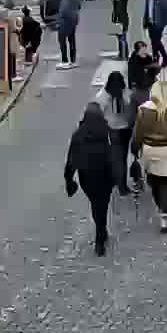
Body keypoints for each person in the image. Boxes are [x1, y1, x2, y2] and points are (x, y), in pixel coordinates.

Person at [64, 102, 118, 256]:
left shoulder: (78, 135)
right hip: (106, 176)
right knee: (103, 204)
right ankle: (101, 233)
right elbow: (116, 156)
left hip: (87, 178)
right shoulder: (108, 132)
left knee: (96, 204)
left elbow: (71, 160)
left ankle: (100, 233)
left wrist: (69, 179)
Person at [134, 79, 167, 232]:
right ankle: (165, 215)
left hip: (149, 149)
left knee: (154, 181)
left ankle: (160, 206)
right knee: (166, 184)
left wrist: (136, 147)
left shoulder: (143, 109)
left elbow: (138, 133)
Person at [94, 70, 135, 197]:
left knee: (118, 157)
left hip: (116, 129)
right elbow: (130, 105)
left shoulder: (102, 96)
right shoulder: (123, 93)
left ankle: (118, 180)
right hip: (122, 129)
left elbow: (98, 113)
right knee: (121, 157)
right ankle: (121, 183)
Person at [143, 0, 167, 67]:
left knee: (156, 41)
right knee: (154, 41)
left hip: (158, 24)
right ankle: (156, 57)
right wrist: (145, 22)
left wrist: (166, 22)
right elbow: (146, 11)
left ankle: (164, 57)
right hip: (150, 23)